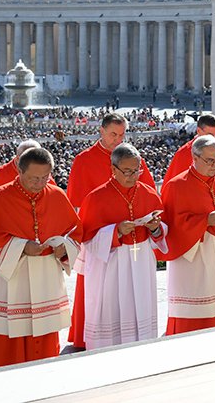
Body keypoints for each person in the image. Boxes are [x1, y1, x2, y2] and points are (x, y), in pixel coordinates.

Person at [0, 147, 81, 370]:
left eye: (45, 177)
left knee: (44, 353)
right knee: (5, 348)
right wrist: (21, 247)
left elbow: (75, 232)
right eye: (33, 178)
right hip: (9, 283)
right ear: (19, 171)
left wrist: (64, 249)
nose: (39, 183)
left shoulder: (57, 196)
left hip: (45, 279)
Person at [66, 113, 154, 350]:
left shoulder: (135, 159)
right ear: (102, 132)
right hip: (99, 233)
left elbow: (148, 195)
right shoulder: (84, 160)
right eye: (113, 134)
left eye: (122, 134)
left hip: (134, 237)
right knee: (95, 288)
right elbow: (76, 204)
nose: (118, 139)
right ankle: (86, 335)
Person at [157, 136, 215, 335]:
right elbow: (171, 228)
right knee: (197, 321)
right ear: (195, 157)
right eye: (210, 160)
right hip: (196, 261)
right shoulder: (176, 186)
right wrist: (205, 221)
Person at [79, 144, 167, 349]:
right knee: (111, 308)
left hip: (141, 260)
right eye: (127, 171)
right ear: (113, 169)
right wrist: (116, 231)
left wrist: (155, 228)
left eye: (137, 170)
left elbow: (161, 231)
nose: (132, 176)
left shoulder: (148, 193)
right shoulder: (96, 197)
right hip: (111, 265)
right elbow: (87, 239)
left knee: (141, 310)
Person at [164, 113, 215, 183]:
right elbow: (173, 185)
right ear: (198, 131)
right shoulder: (183, 153)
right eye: (210, 134)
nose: (214, 138)